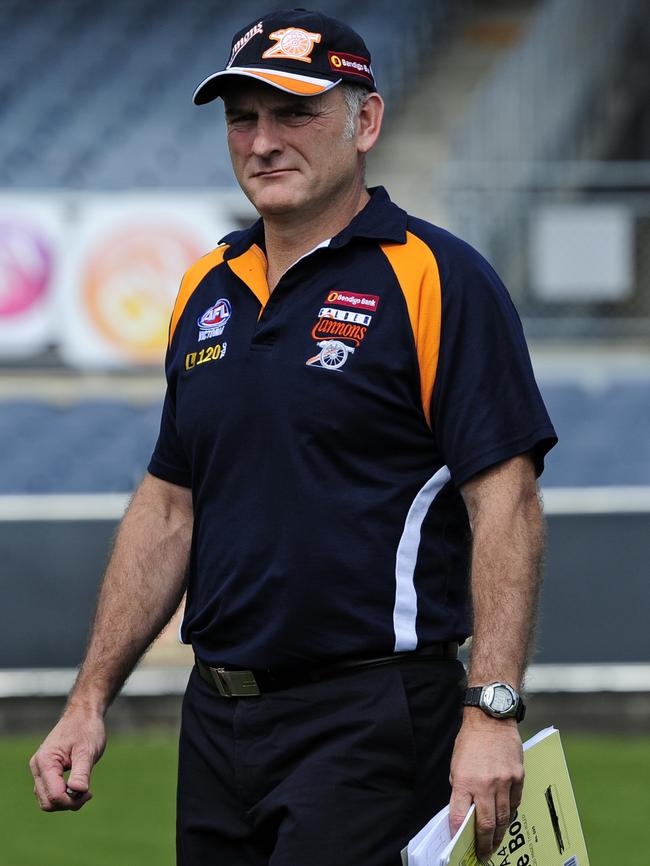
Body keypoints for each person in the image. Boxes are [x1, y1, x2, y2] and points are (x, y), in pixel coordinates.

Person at [30, 8, 557, 865]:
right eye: (244, 117)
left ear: (367, 122)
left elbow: (507, 504)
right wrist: (89, 698)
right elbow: (170, 506)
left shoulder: (439, 277)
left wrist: (490, 711)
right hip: (216, 720)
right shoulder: (206, 284)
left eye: (295, 112)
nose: (263, 140)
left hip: (371, 718)